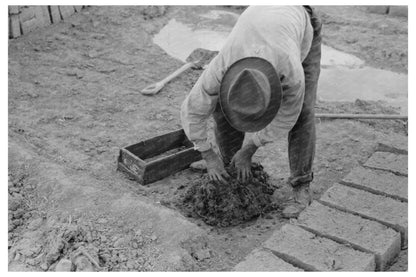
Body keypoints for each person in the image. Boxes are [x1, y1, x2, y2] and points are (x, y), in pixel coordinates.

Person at [180, 5, 322, 218]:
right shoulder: (222, 66)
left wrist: (249, 149)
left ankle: (301, 185)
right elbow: (192, 110)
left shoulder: (291, 74)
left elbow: (287, 116)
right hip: (264, 21)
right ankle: (229, 165)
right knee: (222, 105)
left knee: (303, 112)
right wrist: (208, 155)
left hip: (301, 22)